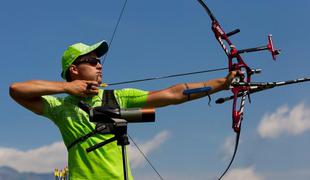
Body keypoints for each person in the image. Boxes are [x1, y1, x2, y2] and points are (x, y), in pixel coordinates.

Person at [9, 40, 237, 180]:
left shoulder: (117, 97)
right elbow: (16, 89)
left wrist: (223, 83)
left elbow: (174, 94)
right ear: (74, 69)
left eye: (100, 61)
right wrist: (66, 87)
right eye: (92, 60)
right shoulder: (60, 107)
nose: (100, 65)